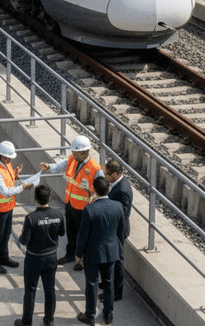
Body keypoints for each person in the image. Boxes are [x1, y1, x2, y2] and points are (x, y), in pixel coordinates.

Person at [39, 135, 103, 271]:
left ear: (85, 152)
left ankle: (82, 260)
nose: (73, 155)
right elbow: (59, 166)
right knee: (71, 232)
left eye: (76, 152)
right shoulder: (72, 160)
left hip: (85, 208)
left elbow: (102, 190)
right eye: (72, 152)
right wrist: (48, 166)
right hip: (70, 204)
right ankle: (70, 254)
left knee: (83, 235)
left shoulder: (95, 169)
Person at [75, 176, 125, 326]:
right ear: (108, 189)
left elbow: (83, 235)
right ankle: (108, 314)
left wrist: (78, 253)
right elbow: (121, 232)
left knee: (91, 284)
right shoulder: (118, 206)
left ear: (93, 190)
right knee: (109, 283)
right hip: (110, 252)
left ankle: (90, 315)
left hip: (92, 254)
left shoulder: (90, 210)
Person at [15, 185, 64, 326]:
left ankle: (26, 321)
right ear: (50, 198)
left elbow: (24, 241)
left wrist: (20, 237)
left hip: (34, 259)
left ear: (35, 199)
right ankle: (49, 320)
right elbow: (61, 233)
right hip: (51, 258)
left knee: (30, 290)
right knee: (50, 290)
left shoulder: (31, 218)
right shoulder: (58, 215)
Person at [0, 141, 33, 274]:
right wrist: (22, 187)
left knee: (6, 234)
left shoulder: (6, 165)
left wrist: (15, 174)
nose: (10, 160)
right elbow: (5, 191)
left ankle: (4, 257)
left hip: (7, 206)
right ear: (2, 156)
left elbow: (8, 179)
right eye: (8, 158)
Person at [105, 159, 133, 301]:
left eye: (107, 175)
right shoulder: (116, 184)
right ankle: (107, 284)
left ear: (114, 174)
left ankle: (116, 292)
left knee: (117, 261)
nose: (105, 177)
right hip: (113, 229)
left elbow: (124, 214)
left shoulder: (122, 190)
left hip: (117, 231)